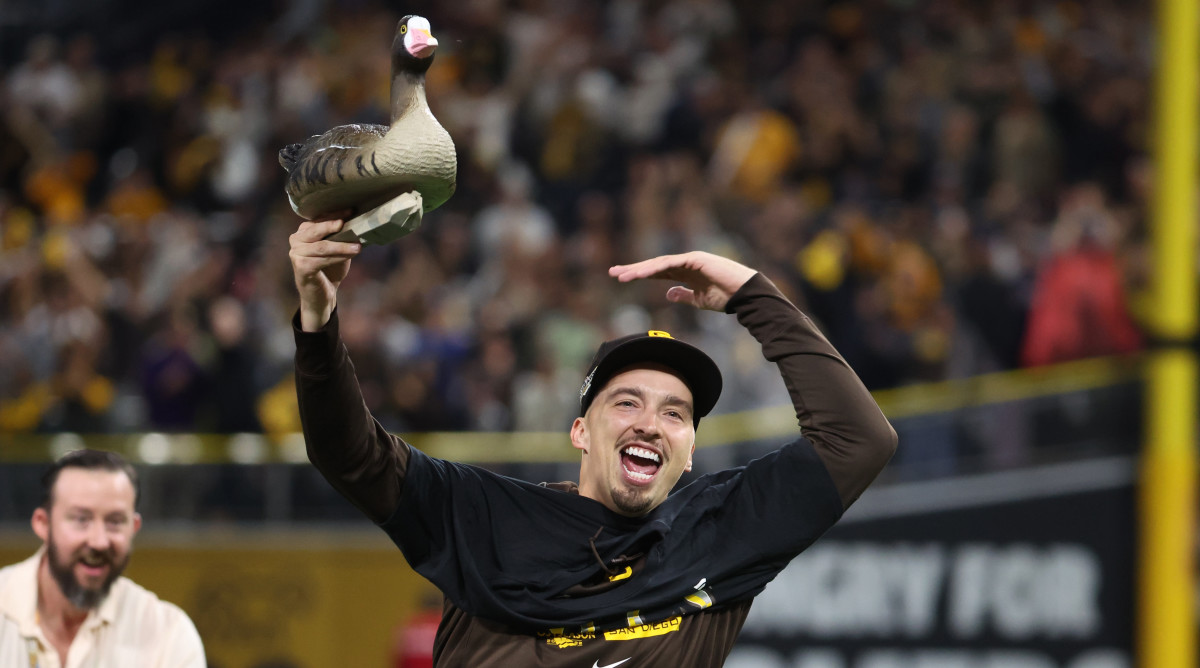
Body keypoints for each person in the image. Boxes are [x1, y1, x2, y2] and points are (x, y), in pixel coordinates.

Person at [290, 216, 898, 667]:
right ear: (580, 430)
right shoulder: (486, 516)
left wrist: (752, 295)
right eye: (626, 402)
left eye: (675, 414)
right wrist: (318, 320)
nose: (649, 424)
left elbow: (859, 439)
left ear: (689, 451)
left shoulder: (720, 530)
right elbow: (350, 454)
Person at [0, 449, 206, 667]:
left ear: (134, 528)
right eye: (81, 519)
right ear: (43, 524)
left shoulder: (168, 635)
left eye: (115, 522)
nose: (99, 541)